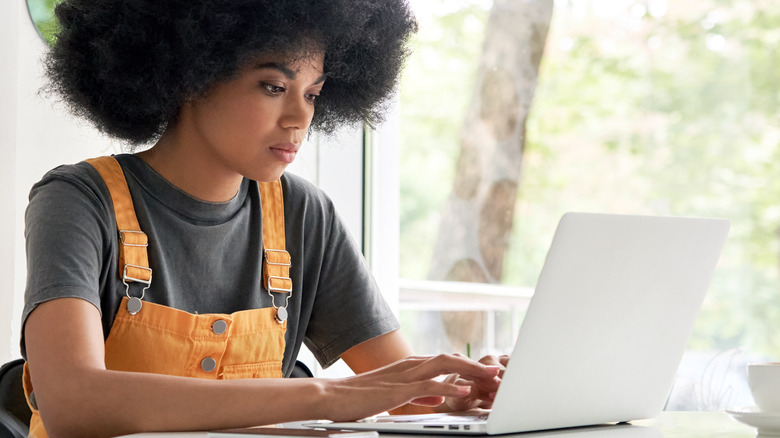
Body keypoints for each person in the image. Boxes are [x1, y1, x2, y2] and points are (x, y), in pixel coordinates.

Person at [20, 0, 508, 437]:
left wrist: (469, 387)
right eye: (274, 86)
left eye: (313, 94)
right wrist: (329, 399)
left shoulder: (302, 213)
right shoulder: (79, 200)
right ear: (191, 74)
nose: (299, 118)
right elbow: (72, 402)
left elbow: (403, 390)